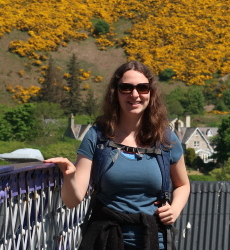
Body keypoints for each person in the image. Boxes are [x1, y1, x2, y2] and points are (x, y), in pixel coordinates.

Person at [45, 61, 190, 250]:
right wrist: (69, 175)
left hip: (153, 240)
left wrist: (175, 209)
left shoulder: (165, 139)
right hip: (105, 240)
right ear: (116, 92)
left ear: (151, 92)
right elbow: (73, 201)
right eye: (126, 88)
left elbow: (183, 184)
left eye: (142, 88)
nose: (135, 94)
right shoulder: (97, 136)